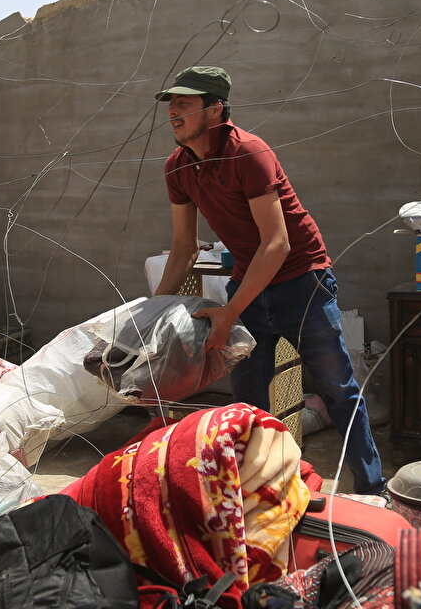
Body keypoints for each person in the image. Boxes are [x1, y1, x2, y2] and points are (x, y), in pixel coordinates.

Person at [152, 65, 386, 495]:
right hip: (250, 281)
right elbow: (184, 248)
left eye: (184, 104)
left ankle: (373, 491)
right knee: (247, 403)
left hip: (303, 280)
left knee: (338, 390)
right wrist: (150, 316)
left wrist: (230, 312)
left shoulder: (249, 152)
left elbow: (276, 244)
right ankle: (260, 494)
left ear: (215, 109)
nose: (174, 112)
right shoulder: (178, 166)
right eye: (171, 105)